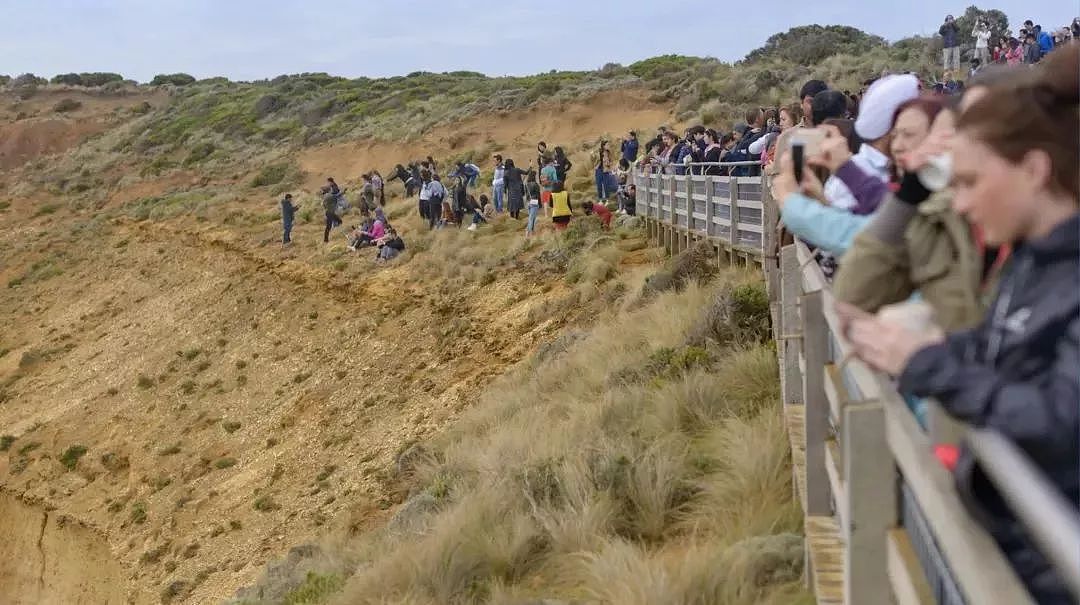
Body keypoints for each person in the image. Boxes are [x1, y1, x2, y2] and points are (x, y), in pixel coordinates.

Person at [840, 46, 1079, 604]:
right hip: (1011, 546)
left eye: (970, 180)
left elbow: (1062, 425)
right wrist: (920, 347)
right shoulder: (1031, 257)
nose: (961, 200)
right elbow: (1006, 346)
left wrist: (929, 363)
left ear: (1034, 169)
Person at [525, 170, 541, 237]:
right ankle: (528, 232)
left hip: (528, 202)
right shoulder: (536, 184)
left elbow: (526, 194)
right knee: (532, 218)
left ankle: (532, 232)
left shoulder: (526, 184)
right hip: (534, 202)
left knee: (531, 217)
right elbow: (538, 195)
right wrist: (540, 204)